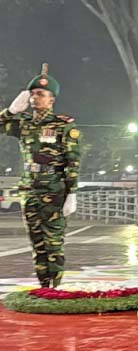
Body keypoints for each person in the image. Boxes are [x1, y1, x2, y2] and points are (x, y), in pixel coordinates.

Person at [0, 63, 80, 287]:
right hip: (30, 190)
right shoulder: (24, 125)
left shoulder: (63, 126)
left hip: (54, 190)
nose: (35, 98)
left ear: (51, 99)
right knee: (37, 242)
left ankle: (55, 286)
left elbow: (72, 162)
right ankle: (44, 286)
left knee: (53, 242)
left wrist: (71, 193)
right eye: (33, 94)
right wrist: (11, 111)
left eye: (41, 94)